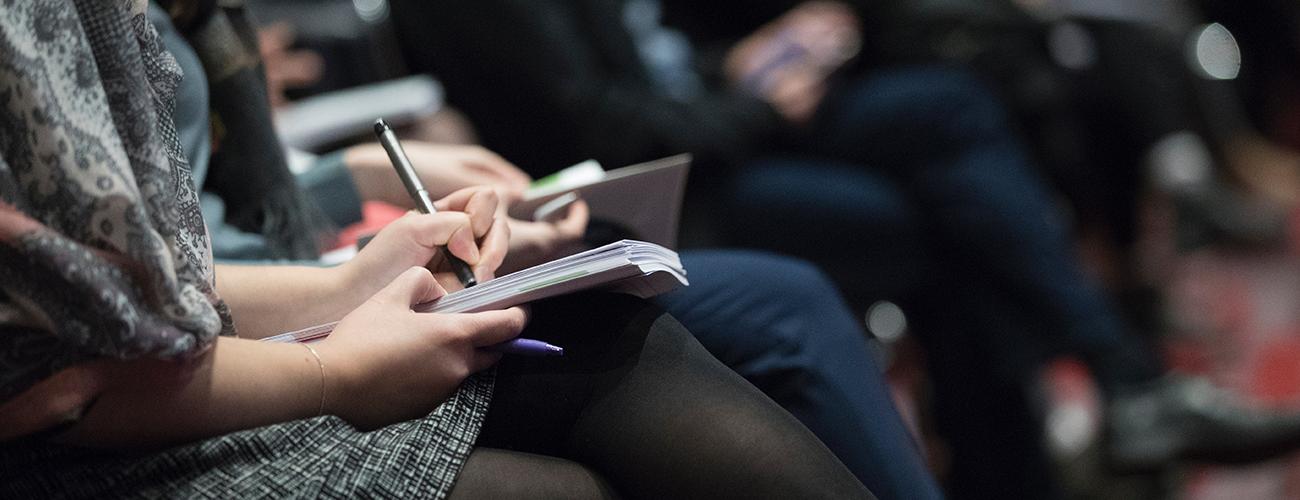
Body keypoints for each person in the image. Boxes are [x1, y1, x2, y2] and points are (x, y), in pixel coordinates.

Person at [389, 0, 1300, 496]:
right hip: (641, 196)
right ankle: (1093, 406)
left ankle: (1103, 397)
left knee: (954, 107)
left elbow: (656, 64)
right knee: (935, 225)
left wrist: (761, 59)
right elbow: (600, 123)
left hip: (713, 129)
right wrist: (750, 103)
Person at [0, 1, 879, 498]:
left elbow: (161, 272)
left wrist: (350, 280)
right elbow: (61, 369)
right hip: (103, 439)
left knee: (617, 330)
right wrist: (332, 366)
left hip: (219, 331)